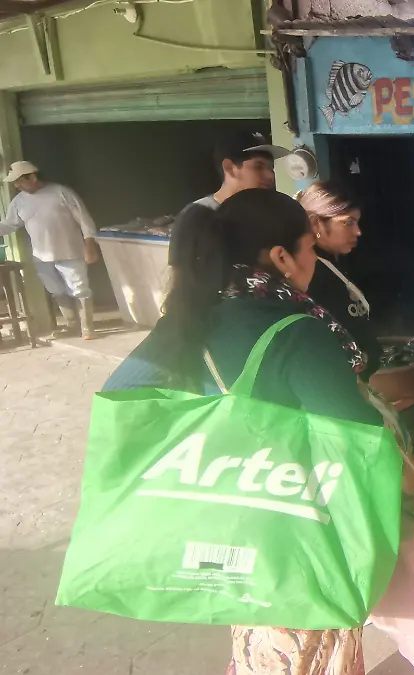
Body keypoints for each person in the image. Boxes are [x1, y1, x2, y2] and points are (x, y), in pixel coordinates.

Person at [104, 188, 378, 674]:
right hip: (294, 519)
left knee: (256, 633)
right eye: (309, 248)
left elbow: (123, 393)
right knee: (309, 645)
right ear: (281, 257)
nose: (313, 259)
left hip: (228, 515)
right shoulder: (297, 331)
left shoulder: (188, 318)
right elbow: (359, 435)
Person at [1, 161, 101, 339]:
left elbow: (84, 219)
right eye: (15, 182)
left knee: (79, 289)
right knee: (56, 290)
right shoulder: (19, 202)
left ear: (32, 177)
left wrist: (90, 243)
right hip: (41, 256)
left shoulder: (61, 192)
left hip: (70, 251)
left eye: (19, 181)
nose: (17, 185)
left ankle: (87, 327)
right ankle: (72, 325)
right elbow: (10, 224)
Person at [167, 131, 290, 272]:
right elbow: (180, 279)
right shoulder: (196, 216)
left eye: (271, 168)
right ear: (229, 167)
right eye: (259, 166)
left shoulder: (267, 216)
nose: (270, 176)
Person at [296, 181, 382, 377]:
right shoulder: (312, 273)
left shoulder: (330, 264)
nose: (358, 232)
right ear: (315, 223)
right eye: (348, 222)